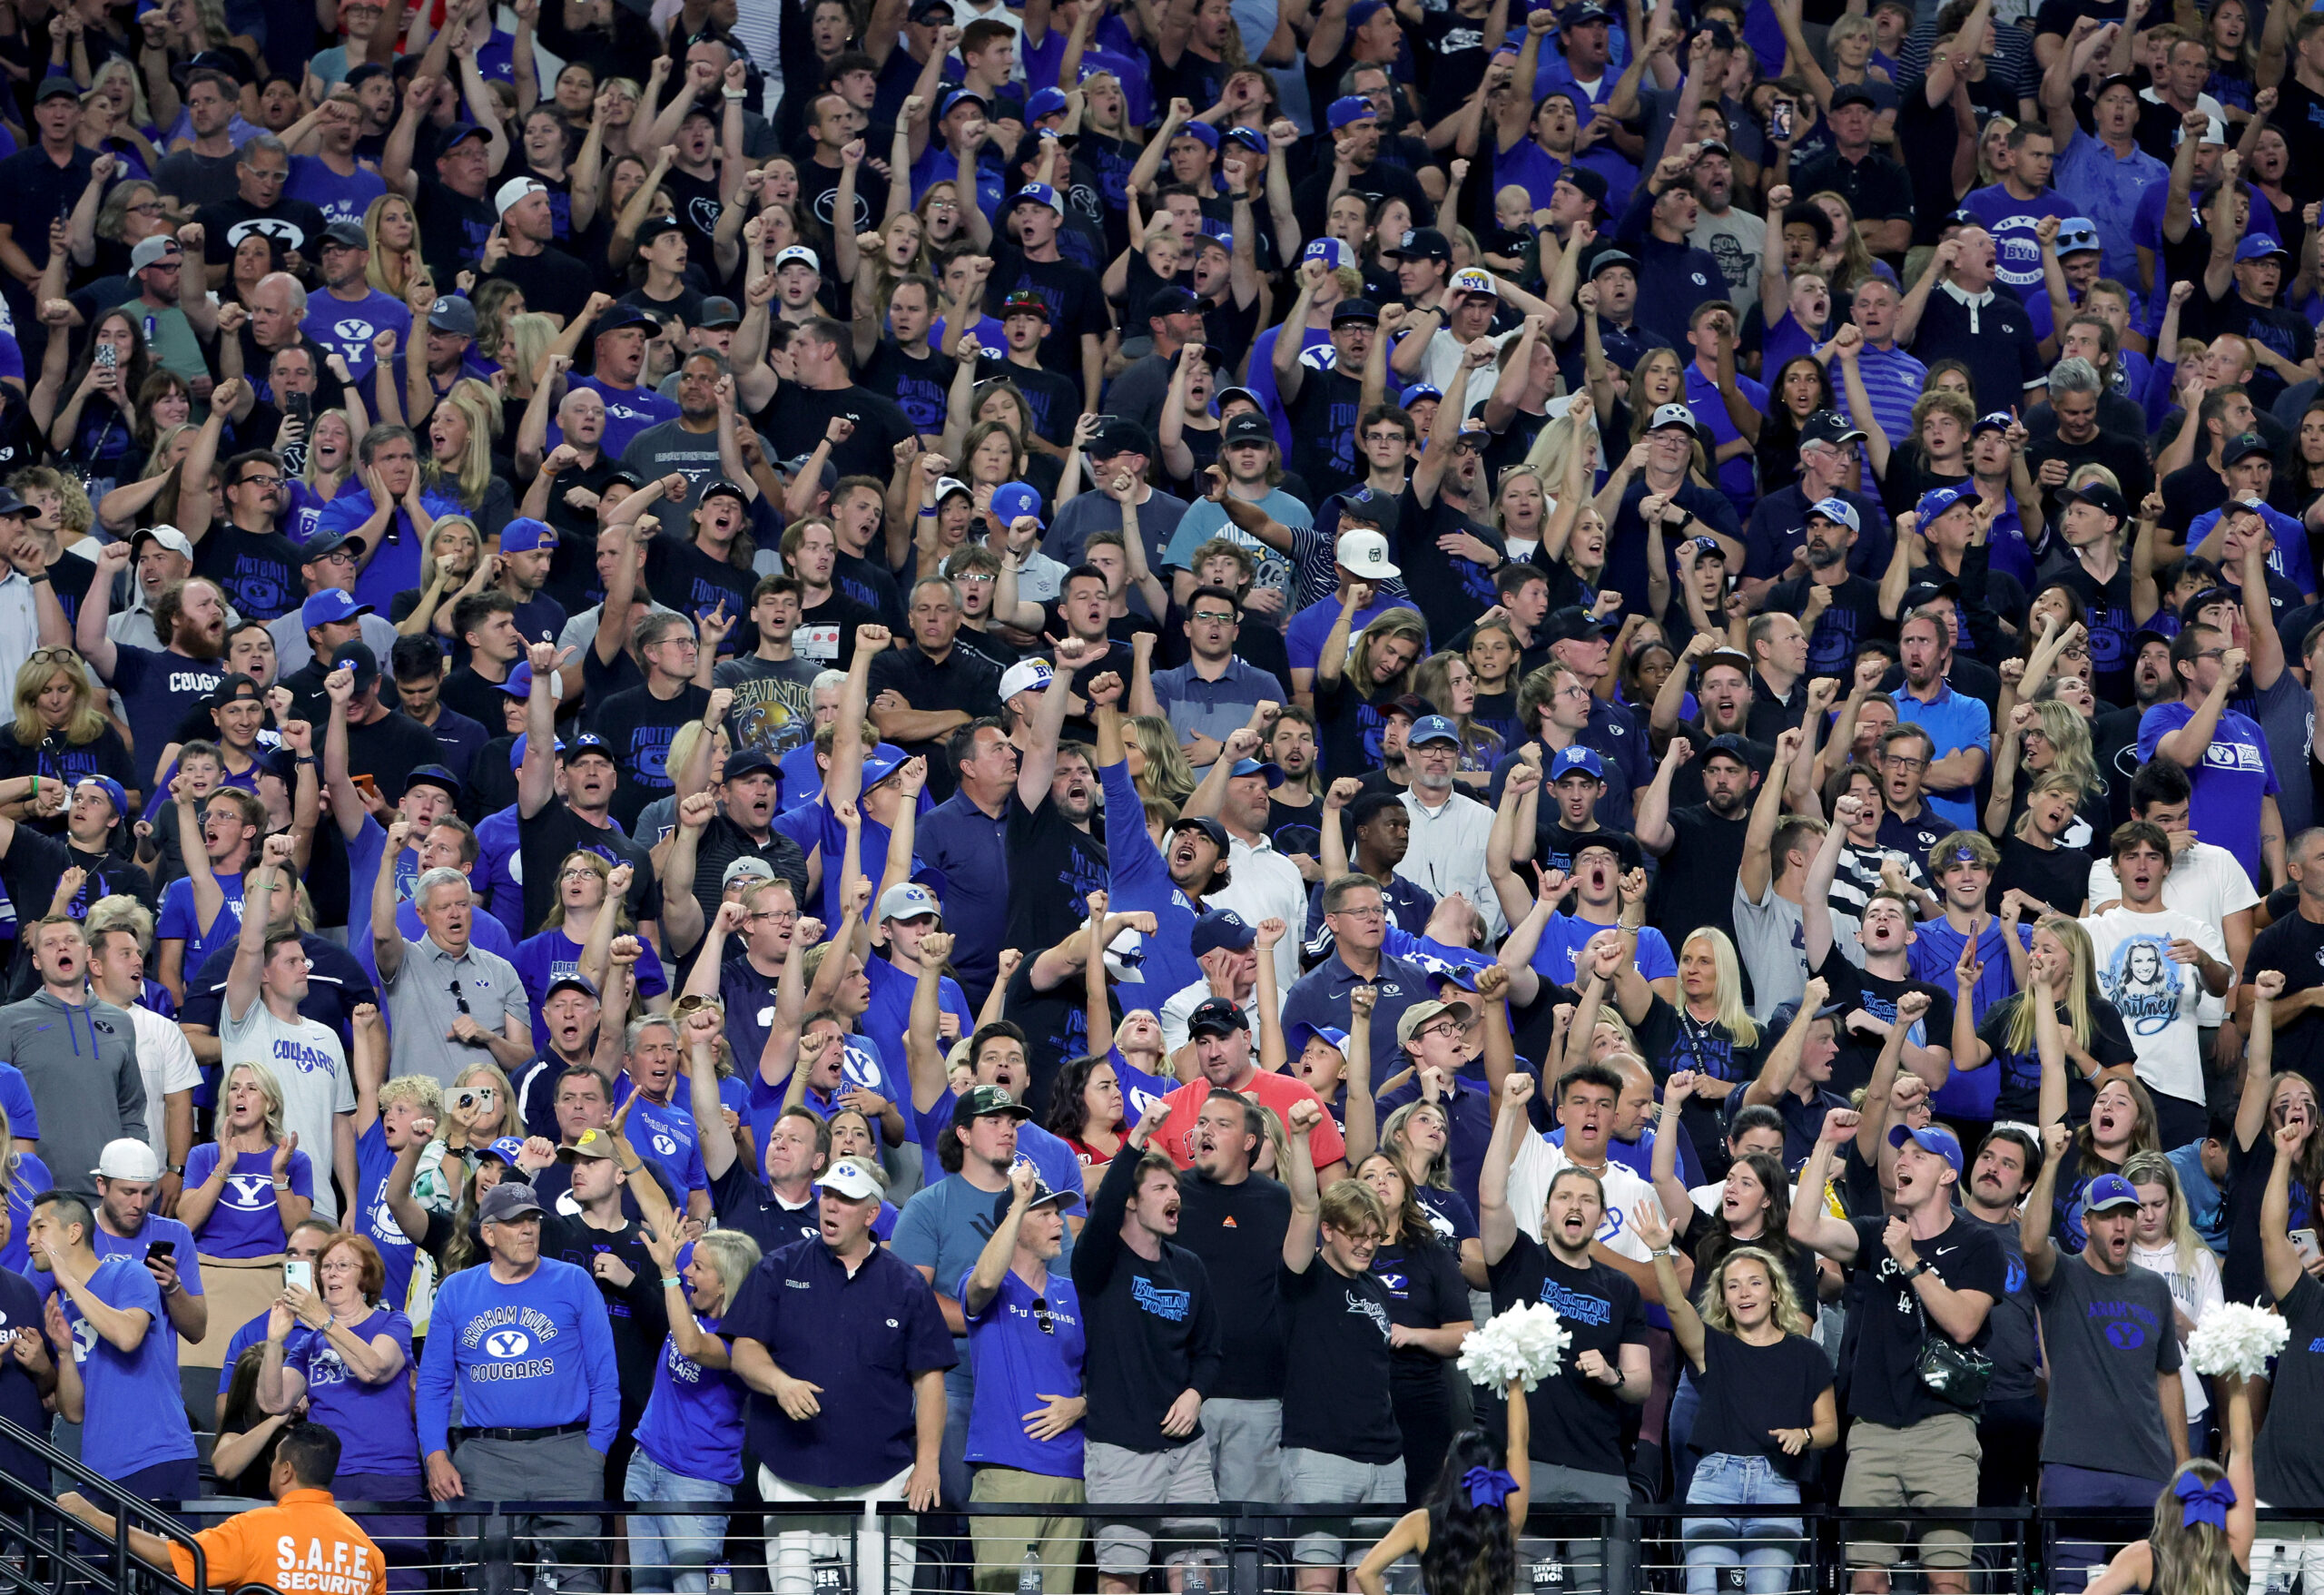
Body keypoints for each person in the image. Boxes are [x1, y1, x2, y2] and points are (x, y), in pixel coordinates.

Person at [1787, 1097, 2004, 1594]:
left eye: (1919, 1156)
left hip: (1944, 1431)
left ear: (1949, 1175)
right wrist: (1823, 1144)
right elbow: (1802, 1228)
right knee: (1864, 1582)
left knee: (1948, 1581)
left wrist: (1910, 1261)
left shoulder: (1977, 1244)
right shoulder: (1874, 1234)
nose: (1902, 1161)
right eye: (1900, 1155)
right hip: (1872, 1431)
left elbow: (1965, 1324)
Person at [724, 1158, 951, 1595]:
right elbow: (745, 1350)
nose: (830, 1206)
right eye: (827, 1194)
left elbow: (929, 1381)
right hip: (792, 1476)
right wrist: (779, 1383)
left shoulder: (906, 1286)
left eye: (845, 1199)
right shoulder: (780, 1267)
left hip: (882, 1480)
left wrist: (927, 1462)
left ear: (871, 1214)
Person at [1477, 1073, 1650, 1594]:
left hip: (1599, 1465)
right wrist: (1508, 1109)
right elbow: (1489, 1198)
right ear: (1548, 1214)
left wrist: (1614, 1375)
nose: (1575, 1206)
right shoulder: (1519, 1261)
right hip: (1520, 1462)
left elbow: (1641, 1382)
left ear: (1600, 1217)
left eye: (1587, 1200)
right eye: (1564, 1198)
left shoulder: (1621, 1288)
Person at [415, 1179, 622, 1593]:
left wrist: (594, 1451)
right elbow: (435, 1383)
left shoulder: (574, 1282)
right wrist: (435, 1455)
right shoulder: (457, 1291)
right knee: (490, 1583)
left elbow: (604, 1376)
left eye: (533, 1219)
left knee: (578, 1583)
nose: (528, 1229)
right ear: (488, 1233)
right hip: (487, 1459)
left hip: (568, 1455)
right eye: (515, 1222)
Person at [1631, 1193, 1837, 1595]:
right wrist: (1660, 1251)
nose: (1744, 1293)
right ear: (1723, 1298)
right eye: (1733, 1286)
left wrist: (1805, 1436)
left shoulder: (1806, 1353)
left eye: (1755, 1283)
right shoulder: (1712, 1345)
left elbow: (1828, 1426)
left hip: (1778, 1486)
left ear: (1775, 1292)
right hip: (1713, 1485)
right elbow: (1675, 1308)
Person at [2019, 1124, 2189, 1594]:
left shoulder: (2153, 1288)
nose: (2121, 1225)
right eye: (2109, 1215)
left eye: (2128, 1215)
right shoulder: (2064, 1276)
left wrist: (2182, 1468)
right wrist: (2051, 1162)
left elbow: (2167, 1379)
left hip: (2147, 1471)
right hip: (2075, 1469)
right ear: (2087, 1222)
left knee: (2151, 1588)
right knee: (2071, 1589)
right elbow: (2032, 1245)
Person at [1070, 1100, 1226, 1594]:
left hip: (1187, 1450)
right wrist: (1137, 1136)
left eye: (1176, 1187)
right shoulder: (1100, 1262)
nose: (1174, 1194)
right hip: (1120, 1449)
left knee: (1198, 1576)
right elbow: (1104, 1207)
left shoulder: (1191, 1268)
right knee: (1120, 1579)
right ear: (1132, 1202)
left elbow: (1210, 1352)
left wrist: (1196, 1393)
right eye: (1161, 1187)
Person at [56, 1421, 388, 1595]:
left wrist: (91, 1515)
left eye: (275, 1462)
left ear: (286, 1470)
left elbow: (169, 1559)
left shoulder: (254, 1528)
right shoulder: (368, 1551)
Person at [24, 1186, 200, 1507]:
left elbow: (128, 1336)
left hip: (155, 1456)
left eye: (41, 1228)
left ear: (74, 1232)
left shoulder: (128, 1273)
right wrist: (63, 1353)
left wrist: (70, 1281)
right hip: (98, 1470)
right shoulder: (67, 1310)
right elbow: (74, 1412)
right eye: (29, 1230)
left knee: (163, 1559)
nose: (30, 1240)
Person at [960, 1162, 1088, 1593]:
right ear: (1015, 1224)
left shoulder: (1072, 1293)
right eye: (1046, 1213)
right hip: (1008, 1471)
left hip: (1071, 1472)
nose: (1059, 1222)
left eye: (1059, 1213)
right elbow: (984, 1279)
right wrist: (1017, 1204)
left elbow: (1108, 1372)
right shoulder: (988, 1287)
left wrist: (1081, 1405)